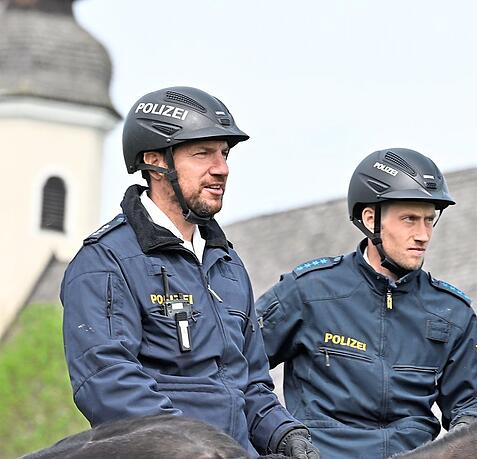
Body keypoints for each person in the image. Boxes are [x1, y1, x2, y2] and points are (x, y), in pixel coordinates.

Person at [60, 86, 320, 458]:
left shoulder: (227, 265)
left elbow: (250, 386)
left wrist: (285, 435)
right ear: (154, 160)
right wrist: (192, 448)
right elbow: (107, 383)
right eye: (203, 154)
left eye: (225, 154)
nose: (222, 168)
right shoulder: (105, 262)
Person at [255, 148, 477, 458]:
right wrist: (279, 431)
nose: (423, 235)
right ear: (371, 220)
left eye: (428, 220)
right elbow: (239, 365)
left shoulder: (453, 312)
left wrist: (467, 431)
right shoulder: (308, 291)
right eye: (410, 219)